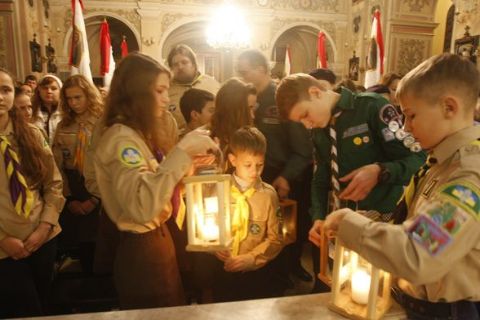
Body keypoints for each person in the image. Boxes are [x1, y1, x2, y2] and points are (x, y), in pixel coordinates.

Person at [323, 53, 480, 320]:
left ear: (449, 108)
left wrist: (350, 224)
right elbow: (418, 222)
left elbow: (420, 251)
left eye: (411, 115)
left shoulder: (467, 176)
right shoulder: (444, 160)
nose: (405, 128)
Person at [275, 73, 426, 291]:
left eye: (305, 115)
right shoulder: (319, 130)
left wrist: (380, 171)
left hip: (382, 222)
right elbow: (321, 178)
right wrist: (318, 217)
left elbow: (417, 159)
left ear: (315, 92)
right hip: (343, 223)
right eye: (301, 122)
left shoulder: (372, 107)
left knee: (376, 292)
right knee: (343, 290)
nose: (307, 125)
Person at [93, 52, 219, 310]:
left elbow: (156, 186)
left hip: (157, 242)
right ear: (138, 92)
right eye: (160, 90)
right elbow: (141, 207)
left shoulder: (137, 134)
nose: (166, 99)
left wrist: (187, 169)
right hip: (142, 249)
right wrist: (182, 151)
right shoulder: (122, 140)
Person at [237, 49, 313, 283]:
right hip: (257, 174)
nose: (241, 75)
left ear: (262, 68)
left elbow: (303, 150)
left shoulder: (280, 97)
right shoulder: (245, 97)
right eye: (238, 72)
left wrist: (287, 177)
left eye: (245, 70)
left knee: (288, 230)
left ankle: (290, 268)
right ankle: (274, 273)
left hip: (287, 176)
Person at [0, 68, 65, 318]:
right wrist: (4, 239)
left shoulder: (32, 134)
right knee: (21, 308)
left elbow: (53, 183)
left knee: (45, 302)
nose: (0, 96)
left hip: (42, 237)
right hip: (5, 243)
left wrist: (44, 226)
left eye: (5, 90)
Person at [211, 126, 285, 302]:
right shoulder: (217, 189)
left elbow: (276, 238)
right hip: (221, 269)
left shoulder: (268, 195)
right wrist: (214, 246)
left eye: (260, 165)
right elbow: (206, 226)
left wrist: (252, 258)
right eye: (248, 165)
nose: (255, 171)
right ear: (233, 160)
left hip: (255, 274)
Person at [53, 74, 103, 273]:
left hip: (99, 188)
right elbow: (57, 165)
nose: (73, 103)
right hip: (74, 187)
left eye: (78, 97)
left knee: (102, 244)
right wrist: (69, 198)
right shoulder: (63, 126)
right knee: (83, 247)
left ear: (89, 96)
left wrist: (95, 198)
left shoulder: (102, 122)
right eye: (69, 99)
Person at [167, 44, 220, 133]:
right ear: (171, 68)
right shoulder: (166, 91)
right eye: (175, 64)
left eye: (184, 62)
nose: (180, 67)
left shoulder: (212, 84)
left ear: (194, 64)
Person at [32, 74, 63, 145]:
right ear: (39, 91)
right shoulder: (31, 111)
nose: (49, 91)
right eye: (45, 88)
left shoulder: (66, 112)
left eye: (54, 88)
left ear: (60, 91)